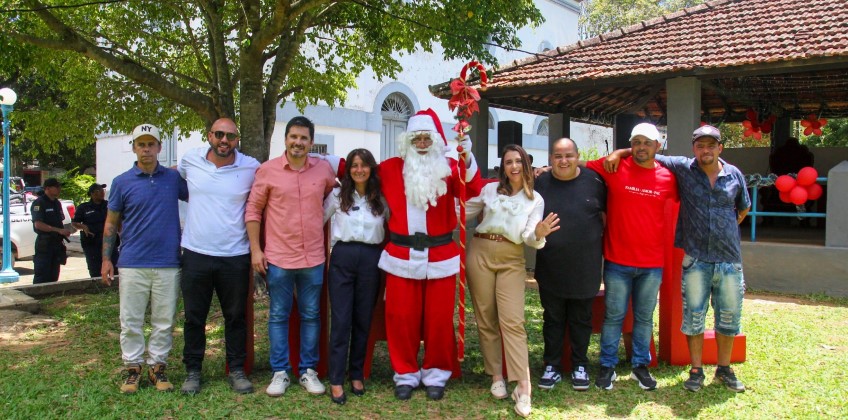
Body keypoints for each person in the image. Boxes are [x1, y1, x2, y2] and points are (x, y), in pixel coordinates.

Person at [605, 125, 750, 392]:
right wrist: (618, 152)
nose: (705, 150)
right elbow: (644, 151)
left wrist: (722, 230)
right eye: (700, 145)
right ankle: (696, 371)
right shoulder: (683, 167)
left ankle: (724, 369)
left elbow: (743, 209)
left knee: (729, 316)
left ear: (720, 148)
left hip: (729, 259)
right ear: (694, 148)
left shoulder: (734, 175)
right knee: (694, 315)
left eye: (711, 145)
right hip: (695, 258)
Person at [377, 109, 483, 401]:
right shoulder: (388, 168)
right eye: (416, 139)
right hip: (401, 255)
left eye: (427, 138)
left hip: (440, 255)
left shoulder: (449, 167)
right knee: (401, 318)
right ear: (407, 141)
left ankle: (436, 373)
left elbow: (473, 187)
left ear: (435, 141)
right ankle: (405, 374)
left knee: (438, 319)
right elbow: (354, 171)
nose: (422, 143)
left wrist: (467, 154)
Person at [245, 116, 337, 398]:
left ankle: (308, 371)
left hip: (313, 259)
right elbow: (253, 211)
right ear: (285, 139)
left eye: (304, 138)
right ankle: (280, 372)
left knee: (311, 315)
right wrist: (256, 250)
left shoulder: (323, 171)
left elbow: (334, 201)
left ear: (311, 142)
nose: (298, 142)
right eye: (293, 137)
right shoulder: (267, 171)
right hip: (278, 258)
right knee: (277, 316)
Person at [465, 144, 559, 417]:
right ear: (503, 167)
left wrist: (540, 233)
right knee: (485, 317)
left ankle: (523, 385)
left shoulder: (535, 199)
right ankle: (496, 375)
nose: (514, 166)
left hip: (511, 257)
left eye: (518, 161)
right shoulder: (489, 190)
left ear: (526, 165)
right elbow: (463, 211)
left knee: (513, 321)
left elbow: (530, 237)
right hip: (480, 251)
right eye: (508, 162)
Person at [584, 123, 678, 391]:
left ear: (657, 147)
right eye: (636, 142)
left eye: (647, 143)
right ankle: (607, 366)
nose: (641, 147)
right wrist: (618, 153)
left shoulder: (668, 178)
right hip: (617, 260)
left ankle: (640, 366)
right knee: (614, 316)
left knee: (644, 317)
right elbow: (580, 165)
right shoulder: (615, 167)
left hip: (652, 264)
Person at [102, 123, 188, 394]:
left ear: (160, 148)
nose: (146, 149)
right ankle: (133, 369)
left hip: (168, 261)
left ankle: (157, 367)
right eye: (141, 144)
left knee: (164, 320)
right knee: (131, 320)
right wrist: (106, 259)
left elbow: (202, 195)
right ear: (134, 148)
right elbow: (111, 223)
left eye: (151, 144)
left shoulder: (173, 180)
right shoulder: (121, 182)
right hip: (132, 262)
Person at [178, 118, 260, 395]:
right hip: (195, 254)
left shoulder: (251, 167)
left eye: (231, 136)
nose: (225, 140)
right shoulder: (190, 160)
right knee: (194, 317)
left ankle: (236, 370)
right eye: (220, 135)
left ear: (237, 140)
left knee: (236, 316)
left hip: (235, 256)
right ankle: (193, 371)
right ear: (209, 136)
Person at [534, 138, 606, 392]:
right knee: (552, 319)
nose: (563, 161)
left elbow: (606, 217)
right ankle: (551, 365)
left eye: (568, 155)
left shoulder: (594, 182)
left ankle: (580, 365)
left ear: (577, 156)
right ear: (550, 158)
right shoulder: (540, 183)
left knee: (581, 319)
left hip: (585, 267)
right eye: (557, 156)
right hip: (550, 266)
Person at [322, 148, 388, 405]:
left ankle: (357, 374)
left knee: (363, 318)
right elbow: (318, 220)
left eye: (364, 165)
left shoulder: (381, 199)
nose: (359, 169)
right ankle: (337, 378)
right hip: (343, 258)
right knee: (341, 319)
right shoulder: (338, 196)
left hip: (372, 260)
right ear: (348, 169)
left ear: (371, 168)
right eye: (354, 165)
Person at [72, 183, 118, 278]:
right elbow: (74, 223)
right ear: (92, 193)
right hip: (92, 242)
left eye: (103, 191)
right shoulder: (83, 207)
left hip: (109, 241)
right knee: (95, 269)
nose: (102, 193)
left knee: (115, 267)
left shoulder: (109, 205)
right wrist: (83, 227)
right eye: (99, 191)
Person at [30, 178, 71, 284]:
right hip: (45, 243)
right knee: (42, 275)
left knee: (54, 275)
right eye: (56, 187)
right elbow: (38, 224)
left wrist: (64, 231)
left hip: (56, 244)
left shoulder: (57, 203)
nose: (59, 189)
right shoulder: (39, 203)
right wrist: (58, 230)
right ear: (47, 188)